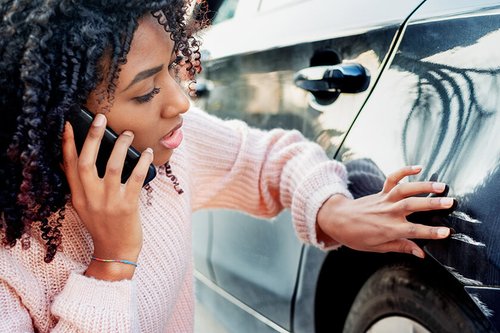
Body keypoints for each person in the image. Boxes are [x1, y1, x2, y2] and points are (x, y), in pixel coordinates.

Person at [0, 0, 454, 332]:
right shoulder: (11, 264)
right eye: (145, 92)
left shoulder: (168, 153)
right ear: (58, 120)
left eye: (172, 69)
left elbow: (269, 159)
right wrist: (111, 264)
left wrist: (332, 210)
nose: (181, 101)